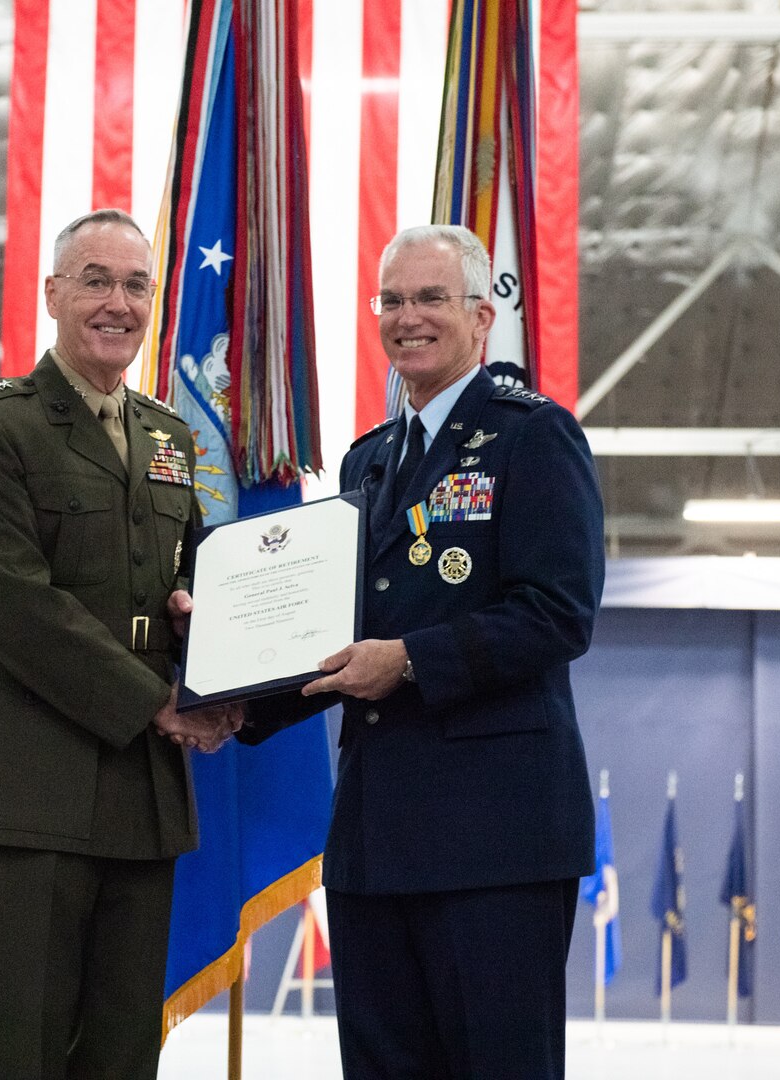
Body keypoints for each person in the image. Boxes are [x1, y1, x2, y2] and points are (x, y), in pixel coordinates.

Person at [246, 224, 604, 1079]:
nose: (408, 318)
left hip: (496, 840)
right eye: (393, 300)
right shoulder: (367, 462)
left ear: (481, 316)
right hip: (377, 840)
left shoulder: (533, 435)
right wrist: (230, 695)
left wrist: (409, 660)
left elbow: (560, 614)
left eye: (431, 298)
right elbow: (333, 633)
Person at [0, 208, 236, 1080]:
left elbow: (182, 586)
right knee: (24, 1048)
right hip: (35, 785)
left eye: (136, 284)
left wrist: (217, 657)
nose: (117, 302)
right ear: (53, 294)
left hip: (143, 796)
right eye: (95, 280)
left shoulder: (169, 438)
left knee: (123, 1051)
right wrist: (160, 702)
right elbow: (15, 603)